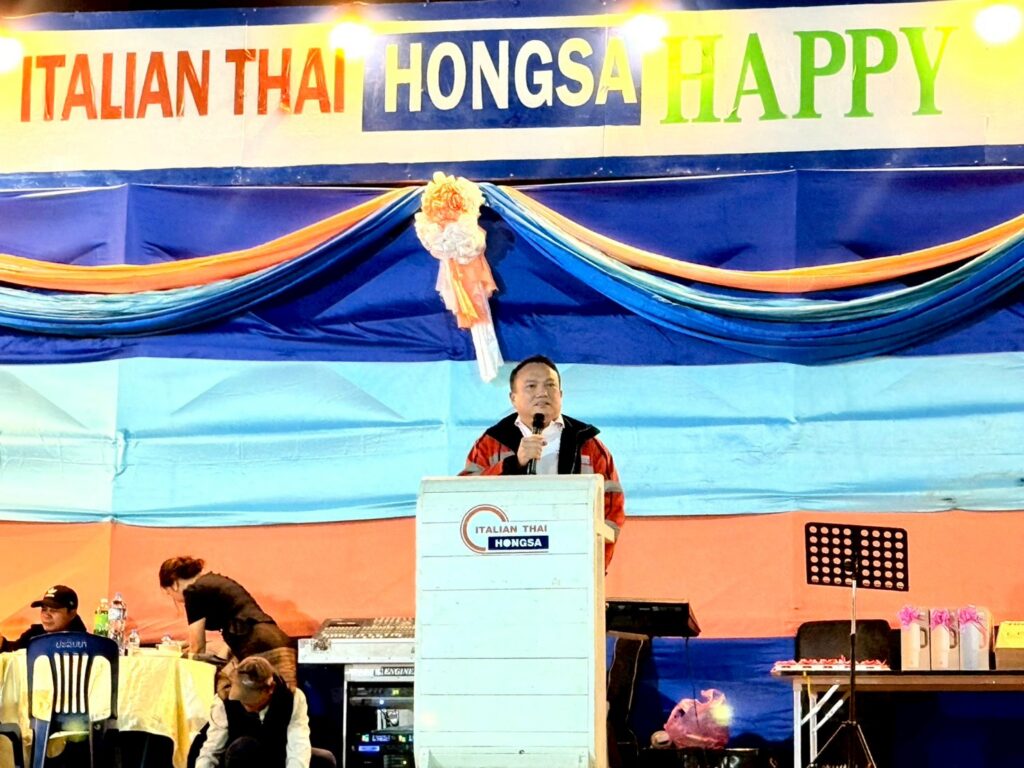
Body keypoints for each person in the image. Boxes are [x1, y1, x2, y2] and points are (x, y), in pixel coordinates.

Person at [460, 354, 625, 567]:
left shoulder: (589, 445)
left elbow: (612, 511)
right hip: (504, 560)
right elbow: (464, 495)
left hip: (569, 562)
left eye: (550, 385)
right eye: (531, 386)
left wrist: (593, 568)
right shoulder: (491, 442)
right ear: (513, 398)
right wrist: (513, 464)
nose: (542, 392)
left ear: (561, 395)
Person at [159, 557, 296, 689]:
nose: (176, 600)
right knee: (285, 697)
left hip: (259, 647)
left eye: (169, 593)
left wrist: (186, 679)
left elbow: (198, 647)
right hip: (277, 640)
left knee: (240, 693)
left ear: (174, 584)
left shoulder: (194, 591)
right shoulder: (213, 581)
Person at [195, 655, 311, 768]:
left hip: (276, 759)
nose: (245, 705)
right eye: (242, 700)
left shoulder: (293, 698)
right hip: (237, 760)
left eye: (250, 701)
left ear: (269, 689)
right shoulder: (223, 701)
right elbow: (211, 750)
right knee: (243, 747)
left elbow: (298, 746)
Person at [0, 585, 87, 652]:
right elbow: (15, 652)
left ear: (72, 613)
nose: (46, 615)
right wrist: (3, 644)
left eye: (54, 610)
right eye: (44, 609)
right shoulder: (34, 634)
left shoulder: (83, 643)